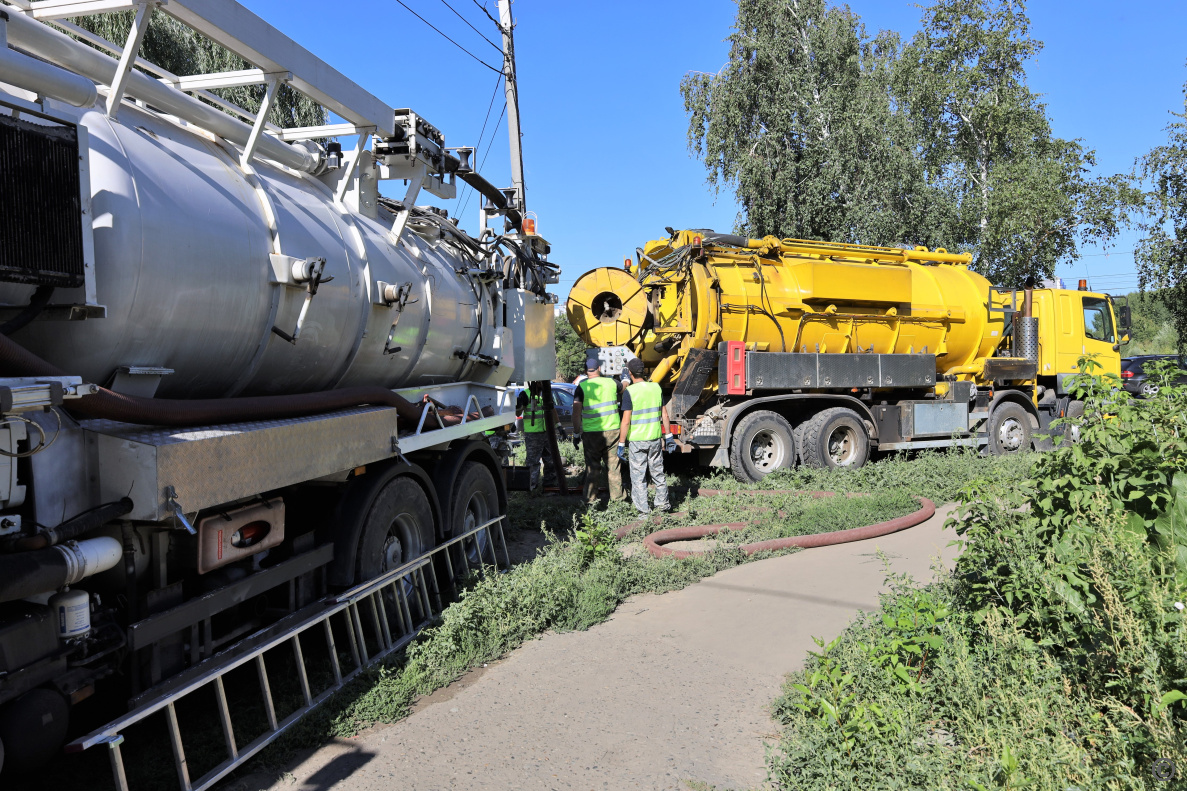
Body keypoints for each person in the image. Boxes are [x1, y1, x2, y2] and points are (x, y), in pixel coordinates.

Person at [617, 357, 673, 515]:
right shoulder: (656, 388)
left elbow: (626, 422)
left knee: (638, 477)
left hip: (637, 441)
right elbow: (665, 415)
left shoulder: (630, 392)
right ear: (644, 371)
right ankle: (662, 506)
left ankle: (643, 512)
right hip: (655, 439)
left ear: (630, 373)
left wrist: (621, 444)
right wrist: (668, 436)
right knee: (658, 473)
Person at [571, 357, 626, 507]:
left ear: (585, 371)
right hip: (613, 431)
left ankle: (590, 501)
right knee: (614, 467)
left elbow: (576, 413)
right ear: (599, 369)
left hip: (591, 434)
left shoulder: (582, 387)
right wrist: (626, 378)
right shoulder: (611, 383)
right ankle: (618, 501)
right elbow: (623, 388)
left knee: (592, 468)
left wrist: (576, 433)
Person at [516, 385, 560, 495]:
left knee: (550, 460)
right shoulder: (525, 394)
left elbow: (552, 409)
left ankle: (549, 486)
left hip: (546, 433)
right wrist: (520, 405)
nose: (540, 383)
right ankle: (532, 489)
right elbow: (517, 413)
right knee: (533, 462)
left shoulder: (545, 394)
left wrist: (559, 425)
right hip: (533, 434)